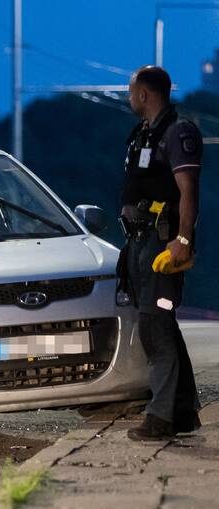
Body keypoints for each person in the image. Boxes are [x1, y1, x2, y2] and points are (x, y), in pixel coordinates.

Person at [119, 65, 203, 440]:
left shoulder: (177, 132)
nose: (129, 95)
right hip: (139, 242)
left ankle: (161, 418)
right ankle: (183, 412)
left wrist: (183, 241)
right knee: (159, 323)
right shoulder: (144, 134)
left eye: (131, 90)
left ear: (145, 94)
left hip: (161, 242)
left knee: (156, 326)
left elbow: (189, 191)